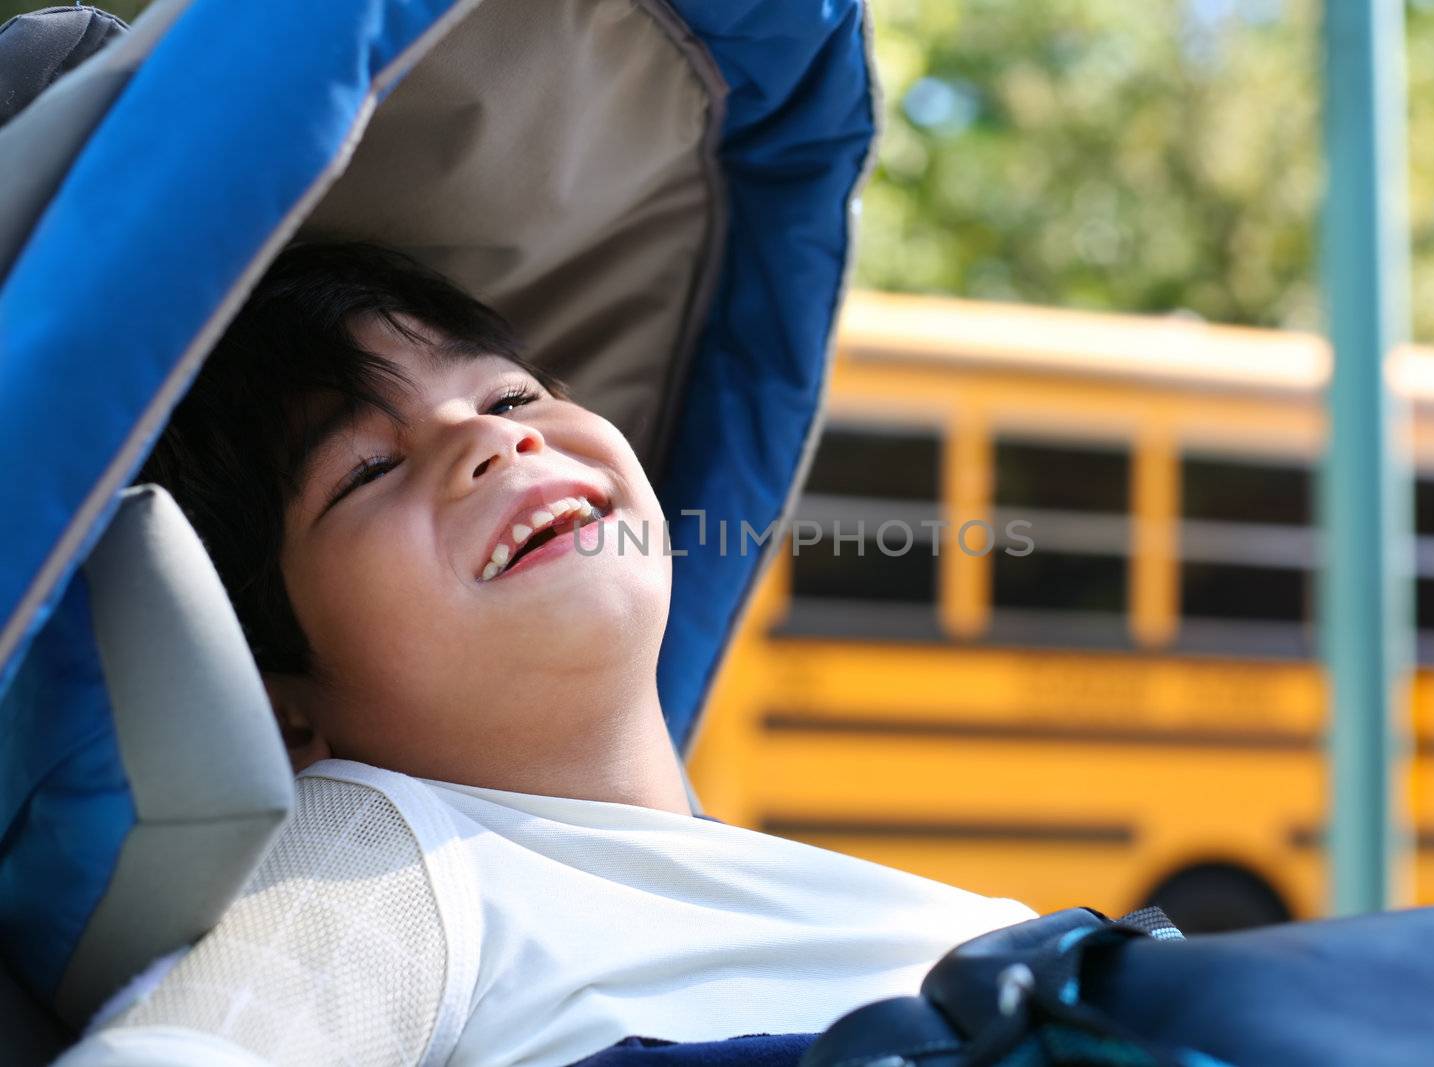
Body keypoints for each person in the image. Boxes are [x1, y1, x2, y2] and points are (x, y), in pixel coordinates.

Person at [56, 242, 1038, 1067]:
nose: (489, 438)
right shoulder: (388, 850)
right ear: (284, 708)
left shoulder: (917, 908)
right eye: (367, 470)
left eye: (513, 395)